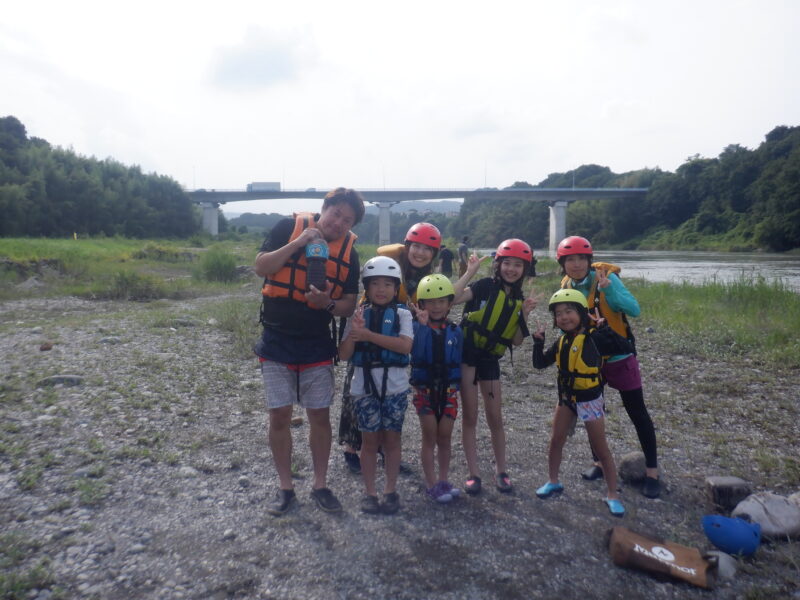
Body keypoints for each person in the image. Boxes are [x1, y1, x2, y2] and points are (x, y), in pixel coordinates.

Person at [254, 187, 365, 516]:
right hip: (276, 341)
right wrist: (298, 244)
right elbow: (262, 267)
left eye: (347, 220)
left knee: (319, 415)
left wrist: (327, 303)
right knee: (279, 416)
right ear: (324, 208)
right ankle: (286, 488)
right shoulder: (287, 228)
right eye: (336, 214)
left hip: (317, 342)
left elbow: (347, 305)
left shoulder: (349, 253)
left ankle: (320, 484)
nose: (339, 223)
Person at [557, 235, 660, 498]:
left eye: (581, 258)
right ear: (563, 264)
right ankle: (599, 463)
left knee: (636, 411)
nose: (577, 264)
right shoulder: (567, 284)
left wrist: (608, 290)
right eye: (570, 260)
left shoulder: (608, 279)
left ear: (590, 261)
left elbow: (634, 310)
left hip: (619, 357)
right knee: (592, 413)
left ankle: (652, 472)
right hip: (589, 360)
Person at [338, 222, 441, 472]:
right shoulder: (391, 266)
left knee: (388, 399)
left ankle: (385, 451)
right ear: (406, 247)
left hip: (395, 339)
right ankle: (353, 450)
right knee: (356, 395)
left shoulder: (424, 280)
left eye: (427, 249)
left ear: (434, 254)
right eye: (416, 246)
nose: (420, 253)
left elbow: (447, 299)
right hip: (366, 331)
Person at [531, 289, 631, 517]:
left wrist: (606, 329)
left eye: (569, 311)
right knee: (556, 441)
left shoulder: (595, 337)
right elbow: (539, 364)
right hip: (566, 399)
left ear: (581, 313)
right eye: (559, 314)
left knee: (600, 448)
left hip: (590, 400)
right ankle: (553, 481)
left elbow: (625, 348)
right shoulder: (562, 341)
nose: (564, 317)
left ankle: (612, 494)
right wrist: (538, 342)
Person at [452, 239, 537, 494]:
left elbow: (517, 341)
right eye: (507, 263)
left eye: (518, 265)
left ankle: (501, 471)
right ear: (498, 265)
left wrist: (525, 314)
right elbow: (453, 298)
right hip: (468, 356)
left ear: (524, 269)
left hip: (490, 361)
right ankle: (473, 473)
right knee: (470, 416)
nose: (511, 269)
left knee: (495, 418)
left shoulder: (519, 298)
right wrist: (470, 271)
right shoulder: (484, 286)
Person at [338, 256, 413, 515]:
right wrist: (354, 333)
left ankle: (390, 490)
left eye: (388, 284)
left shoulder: (403, 314)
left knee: (392, 441)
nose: (381, 290)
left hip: (395, 388)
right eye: (375, 284)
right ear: (367, 288)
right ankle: (370, 492)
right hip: (364, 389)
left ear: (396, 288)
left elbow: (405, 346)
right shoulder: (357, 316)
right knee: (369, 443)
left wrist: (369, 335)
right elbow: (345, 354)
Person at [408, 274, 463, 503]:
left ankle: (443, 481)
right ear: (421, 304)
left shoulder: (455, 331)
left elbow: (459, 360)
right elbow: (416, 350)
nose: (436, 306)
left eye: (441, 301)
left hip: (448, 390)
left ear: (449, 304)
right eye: (430, 301)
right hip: (425, 390)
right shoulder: (415, 328)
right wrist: (421, 327)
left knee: (445, 437)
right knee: (429, 436)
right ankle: (431, 484)